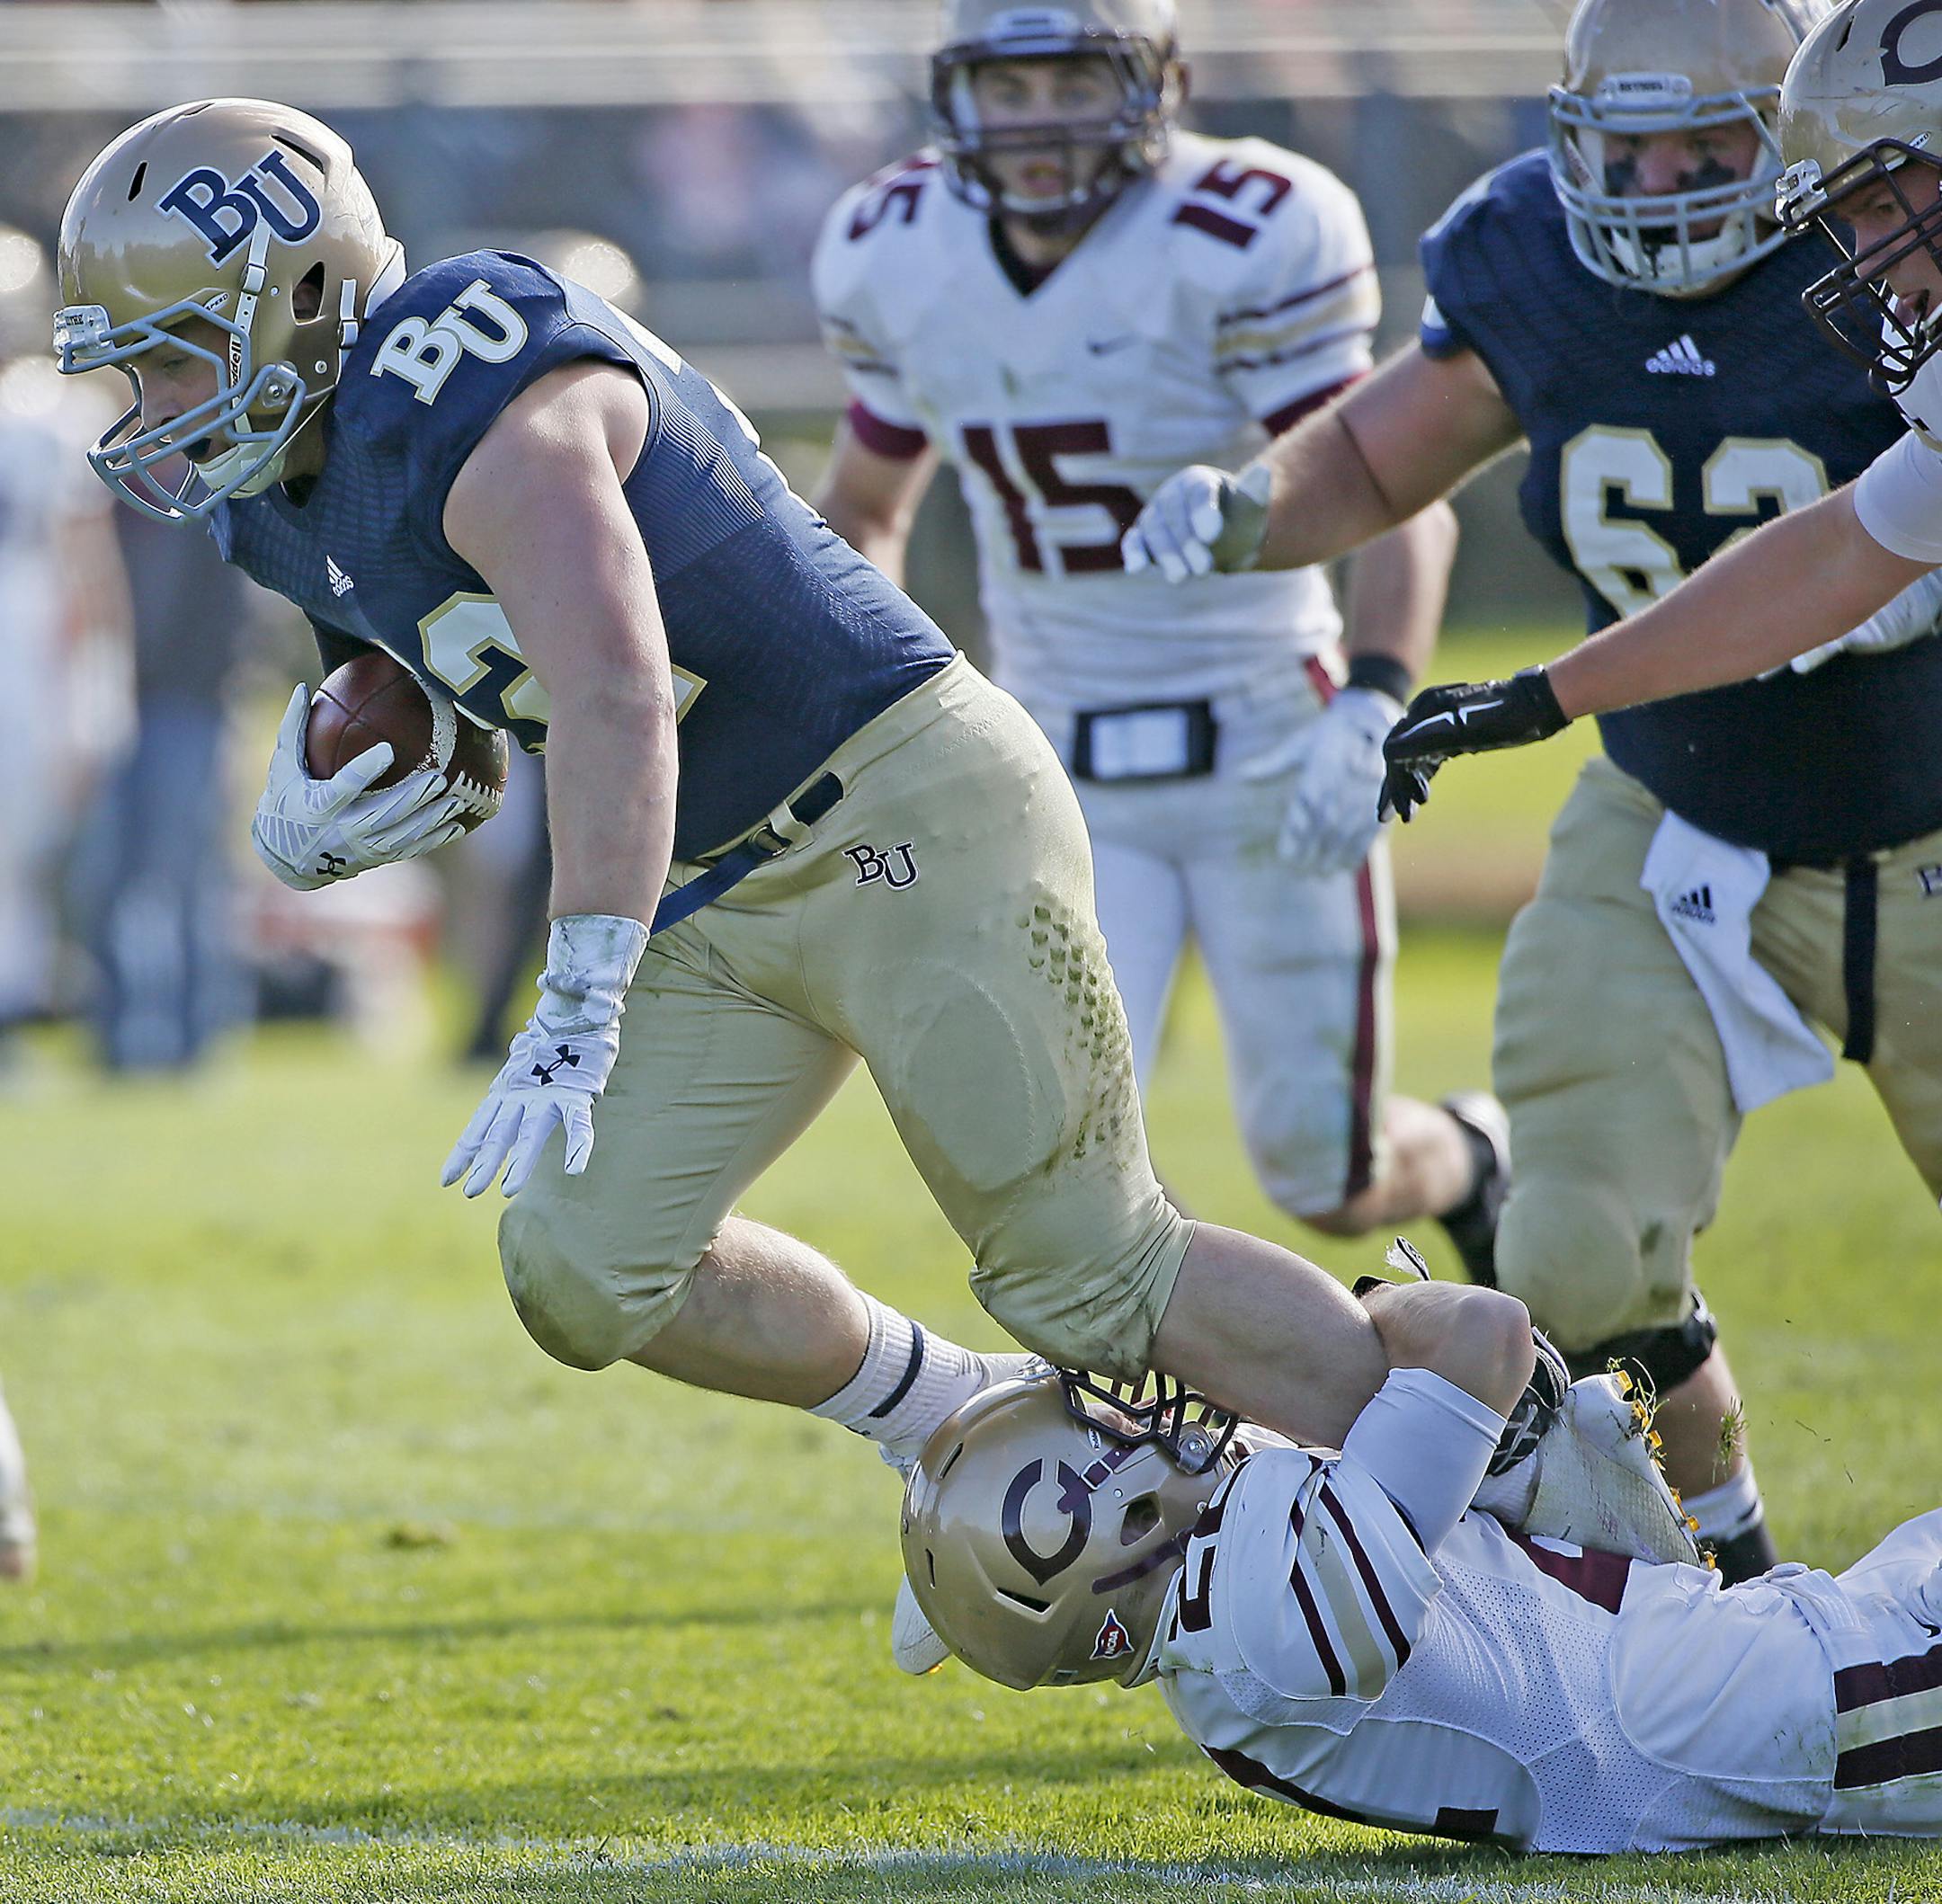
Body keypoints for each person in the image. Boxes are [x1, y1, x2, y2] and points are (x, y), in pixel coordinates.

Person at [53, 99, 1406, 1626]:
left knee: (1091, 1270)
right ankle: (952, 1414)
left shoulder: (464, 371)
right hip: (717, 882)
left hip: (898, 811)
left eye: (171, 352)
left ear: (302, 300)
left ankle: (1482, 1460)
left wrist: (576, 990)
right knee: (582, 1265)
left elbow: (618, 687)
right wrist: (329, 793)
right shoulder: (270, 500)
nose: (148, 401)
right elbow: (445, 700)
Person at [1119, 0, 1942, 1583]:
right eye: (1630, 141)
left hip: (1921, 811)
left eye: (1713, 139)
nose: (1671, 176)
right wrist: (1252, 512)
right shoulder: (1540, 258)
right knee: (1570, 1244)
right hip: (1678, 811)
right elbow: (1839, 546)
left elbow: (1853, 552)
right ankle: (1735, 1590)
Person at [811, 0, 1506, 1270]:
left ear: (1155, 82)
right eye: (1006, 91)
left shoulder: (1244, 229)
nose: (1035, 125)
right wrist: (874, 725)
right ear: (954, 94)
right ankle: (1182, 1414)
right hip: (1052, 750)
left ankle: (1472, 1155)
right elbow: (865, 508)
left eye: (1071, 81)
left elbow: (1395, 493)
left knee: (1325, 1171)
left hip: (1264, 730)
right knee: (1061, 1146)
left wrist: (1373, 699)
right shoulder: (893, 243)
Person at [902, 1326, 1942, 1854]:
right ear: (1120, 1523)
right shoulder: (1270, 1599)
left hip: (1790, 1663)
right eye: (1110, 1433)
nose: (1137, 1418)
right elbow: (1483, 1337)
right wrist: (1330, 1322)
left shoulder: (1223, 1639)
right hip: (1824, 1700)